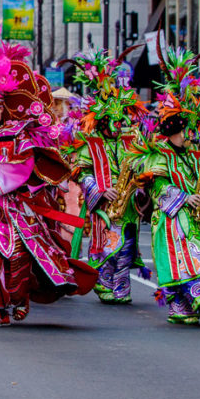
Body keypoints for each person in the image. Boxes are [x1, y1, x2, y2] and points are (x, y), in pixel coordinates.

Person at [0, 26, 96, 327]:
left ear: (3, 106)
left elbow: (27, 161)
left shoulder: (18, 134)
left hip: (13, 208)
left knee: (16, 255)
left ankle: (19, 299)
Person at [135, 46, 200, 324]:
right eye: (191, 129)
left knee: (199, 252)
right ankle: (193, 294)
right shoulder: (159, 153)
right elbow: (156, 186)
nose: (195, 135)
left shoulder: (195, 154)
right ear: (178, 129)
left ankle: (185, 303)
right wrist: (184, 199)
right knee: (183, 256)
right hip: (172, 219)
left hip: (194, 221)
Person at [66, 50, 149, 305]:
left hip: (128, 203)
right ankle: (104, 279)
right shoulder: (90, 144)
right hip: (104, 204)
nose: (117, 123)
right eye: (111, 119)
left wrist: (141, 187)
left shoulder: (131, 141)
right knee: (107, 245)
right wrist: (100, 190)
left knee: (126, 245)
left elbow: (145, 167)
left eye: (120, 118)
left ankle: (122, 285)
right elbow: (81, 172)